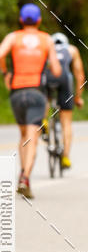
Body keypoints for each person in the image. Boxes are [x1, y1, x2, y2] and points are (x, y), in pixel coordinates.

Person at [0, 2, 61, 199]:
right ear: (39, 21)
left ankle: (22, 173)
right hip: (37, 93)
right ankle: (25, 177)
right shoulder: (46, 40)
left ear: (21, 20)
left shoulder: (13, 37)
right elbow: (56, 70)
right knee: (33, 136)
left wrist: (5, 72)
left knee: (23, 135)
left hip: (16, 92)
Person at [45, 32, 85, 169]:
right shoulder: (72, 50)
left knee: (45, 98)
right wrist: (78, 98)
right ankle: (66, 157)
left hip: (48, 77)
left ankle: (43, 121)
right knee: (66, 122)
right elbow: (79, 76)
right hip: (64, 80)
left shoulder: (45, 46)